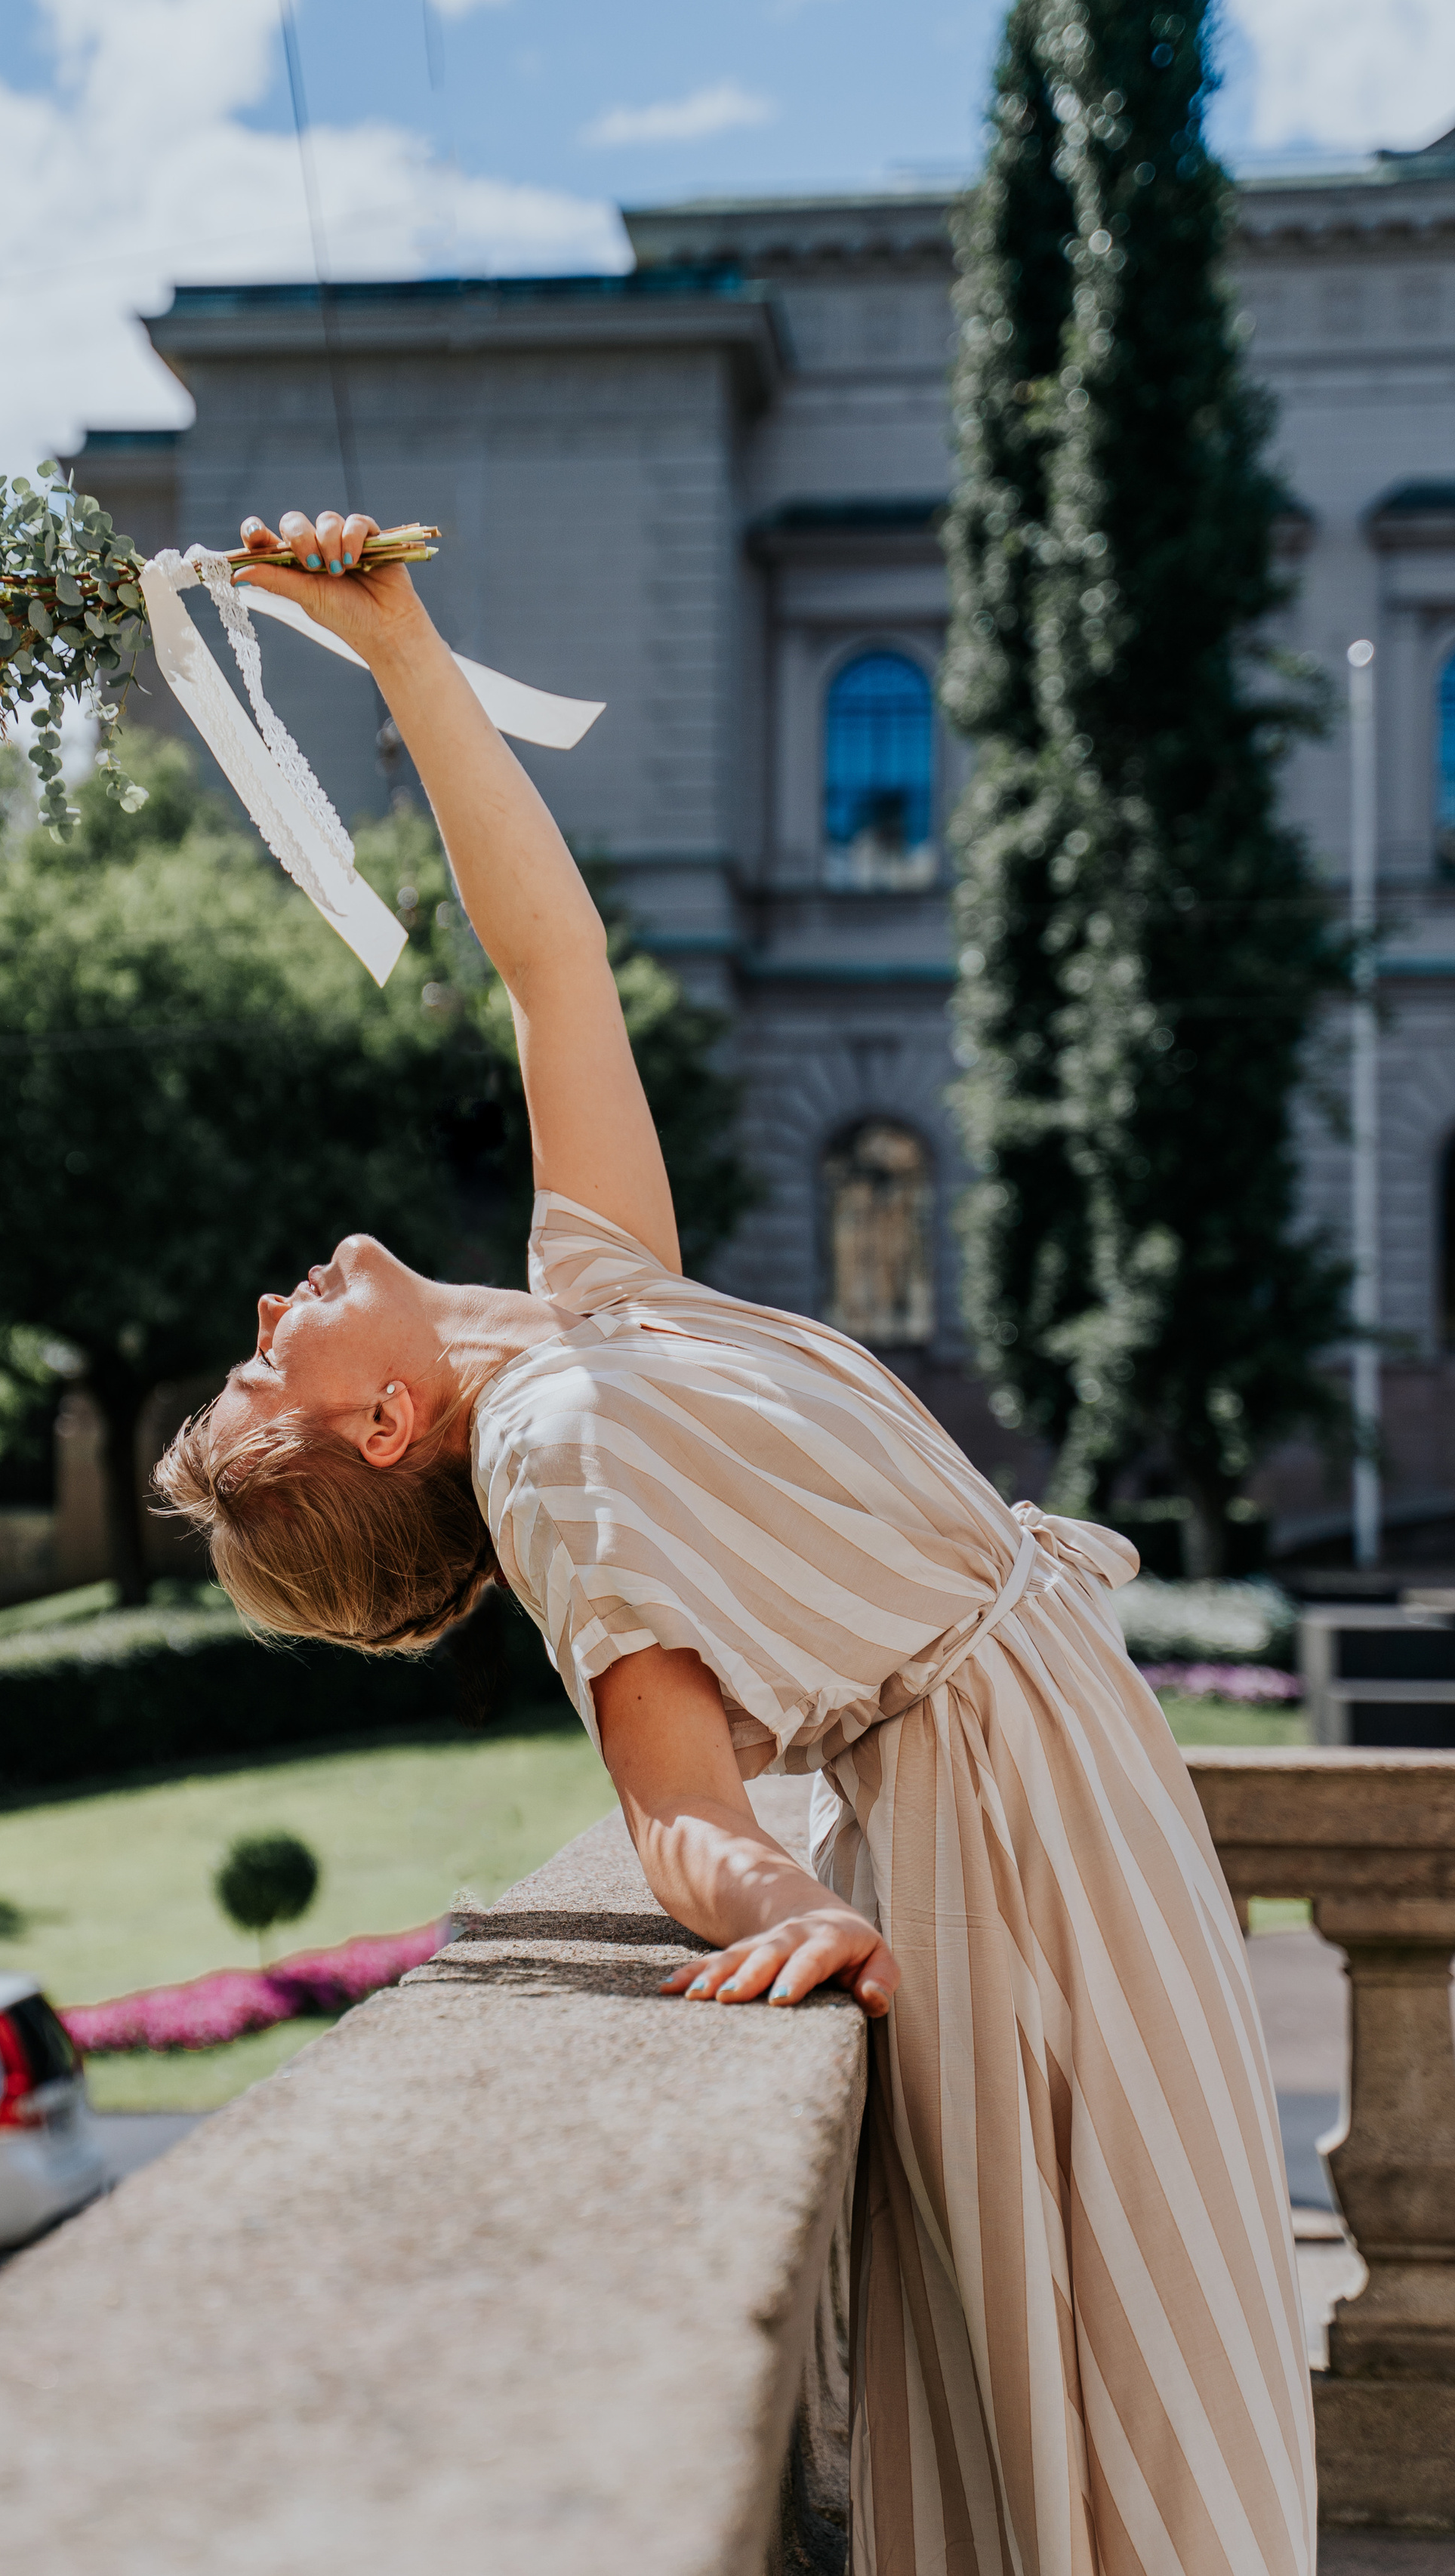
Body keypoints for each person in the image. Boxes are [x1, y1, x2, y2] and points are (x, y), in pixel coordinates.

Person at [158, 507, 1315, 2576]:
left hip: (1075, 1792)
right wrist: (784, 1902)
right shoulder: (556, 1460)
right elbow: (671, 1789)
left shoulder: (594, 1307)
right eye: (270, 1371)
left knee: (1189, 2352)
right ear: (384, 1422)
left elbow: (551, 961)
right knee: (1139, 2418)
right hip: (1009, 1855)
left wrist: (403, 648)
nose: (266, 1308)